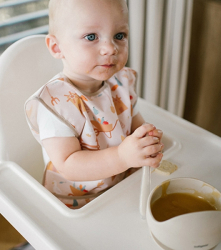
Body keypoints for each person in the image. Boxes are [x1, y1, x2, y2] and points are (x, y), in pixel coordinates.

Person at [25, 0, 163, 209]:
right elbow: (68, 165)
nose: (110, 48)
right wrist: (121, 157)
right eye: (91, 37)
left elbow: (133, 122)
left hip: (122, 185)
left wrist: (145, 139)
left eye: (119, 35)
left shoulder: (121, 82)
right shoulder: (55, 104)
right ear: (56, 47)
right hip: (77, 203)